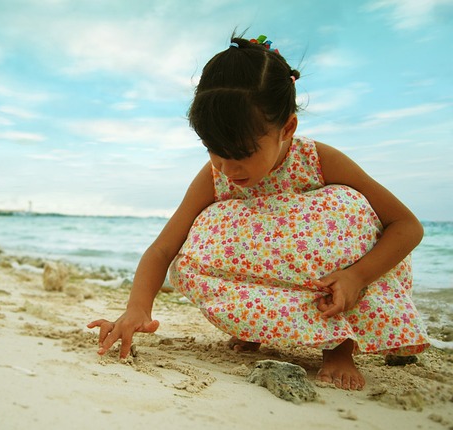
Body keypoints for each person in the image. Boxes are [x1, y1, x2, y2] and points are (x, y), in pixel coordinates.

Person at [87, 33, 430, 391]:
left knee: (346, 207)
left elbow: (406, 226)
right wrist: (138, 308)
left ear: (288, 128)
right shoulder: (214, 176)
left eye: (243, 152)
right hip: (267, 274)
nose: (228, 168)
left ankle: (340, 347)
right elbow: (162, 249)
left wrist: (357, 276)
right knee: (202, 240)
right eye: (213, 150)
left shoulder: (318, 160)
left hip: (334, 283)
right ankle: (255, 327)